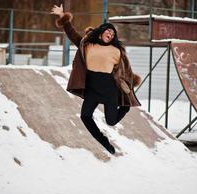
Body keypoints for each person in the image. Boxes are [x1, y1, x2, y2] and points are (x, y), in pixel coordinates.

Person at [51, 4, 141, 155]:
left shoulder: (116, 51)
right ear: (101, 32)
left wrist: (131, 84)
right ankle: (104, 142)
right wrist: (63, 17)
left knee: (111, 121)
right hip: (92, 88)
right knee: (85, 116)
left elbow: (126, 70)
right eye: (109, 31)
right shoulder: (87, 45)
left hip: (109, 89)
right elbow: (72, 34)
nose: (111, 34)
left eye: (113, 34)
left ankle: (124, 108)